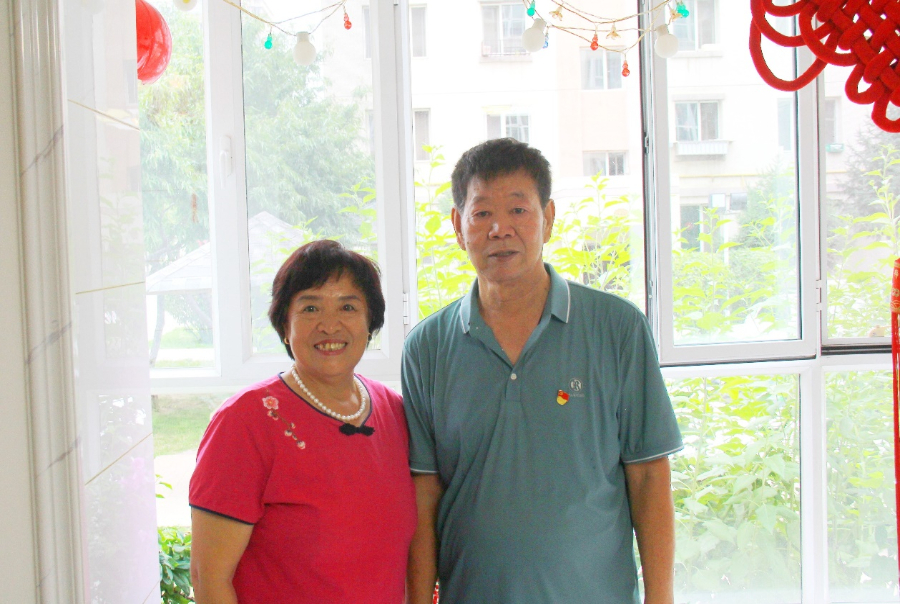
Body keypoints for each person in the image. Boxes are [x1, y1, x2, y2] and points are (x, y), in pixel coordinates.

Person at [402, 138, 683, 604]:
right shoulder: (427, 348)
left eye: (518, 210)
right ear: (458, 226)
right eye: (481, 213)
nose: (500, 229)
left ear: (548, 218)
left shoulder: (617, 328)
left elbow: (650, 477)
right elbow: (424, 494)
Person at [188, 240, 416, 604]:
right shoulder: (245, 422)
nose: (330, 325)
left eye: (348, 307)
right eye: (310, 308)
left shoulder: (395, 412)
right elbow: (208, 578)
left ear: (370, 323)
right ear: (284, 325)